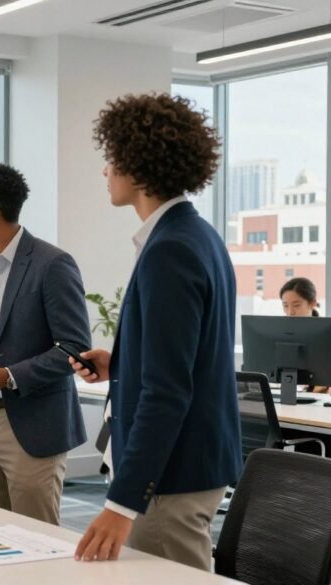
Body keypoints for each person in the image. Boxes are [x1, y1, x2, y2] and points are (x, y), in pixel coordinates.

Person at [73, 93, 241, 570]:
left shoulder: (170, 249)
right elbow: (190, 357)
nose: (105, 171)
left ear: (139, 164)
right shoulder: (196, 236)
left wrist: (123, 503)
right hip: (188, 466)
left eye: (111, 160)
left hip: (171, 478)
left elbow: (168, 391)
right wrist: (120, 363)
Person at [0, 162, 91, 525]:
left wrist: (8, 376)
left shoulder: (52, 264)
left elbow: (74, 347)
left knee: (38, 538)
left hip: (33, 423)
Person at [279, 277, 331, 394]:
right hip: (291, 395)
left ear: (312, 303)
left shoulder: (330, 334)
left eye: (296, 305)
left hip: (322, 400)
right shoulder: (281, 333)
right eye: (285, 305)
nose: (290, 312)